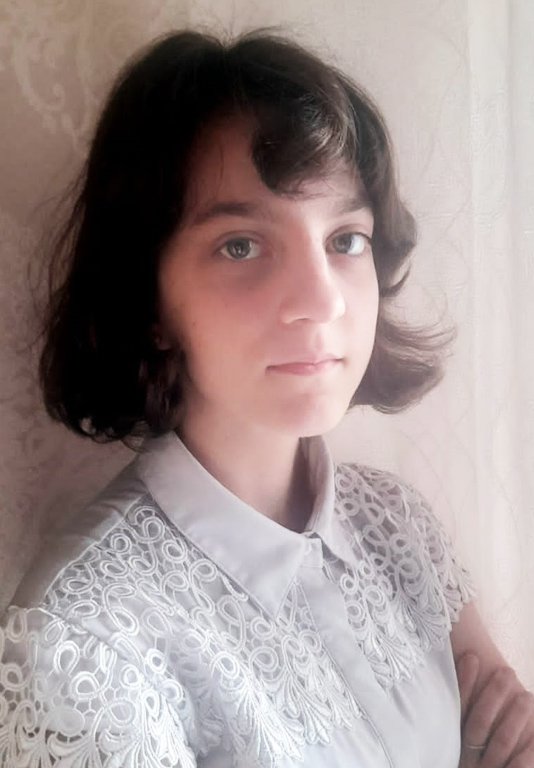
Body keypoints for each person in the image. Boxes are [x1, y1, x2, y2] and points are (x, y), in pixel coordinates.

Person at [0, 29, 532, 768]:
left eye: (345, 239)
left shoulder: (398, 526)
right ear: (148, 298)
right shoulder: (86, 645)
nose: (322, 301)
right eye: (241, 245)